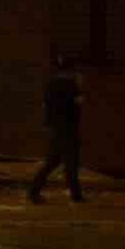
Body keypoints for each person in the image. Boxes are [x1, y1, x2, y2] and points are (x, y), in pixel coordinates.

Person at [30, 55, 84, 204]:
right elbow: (79, 103)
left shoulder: (50, 85)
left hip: (54, 128)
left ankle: (34, 191)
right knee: (70, 162)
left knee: (54, 161)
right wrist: (79, 86)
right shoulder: (71, 86)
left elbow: (45, 106)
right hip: (67, 128)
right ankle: (76, 196)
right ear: (71, 71)